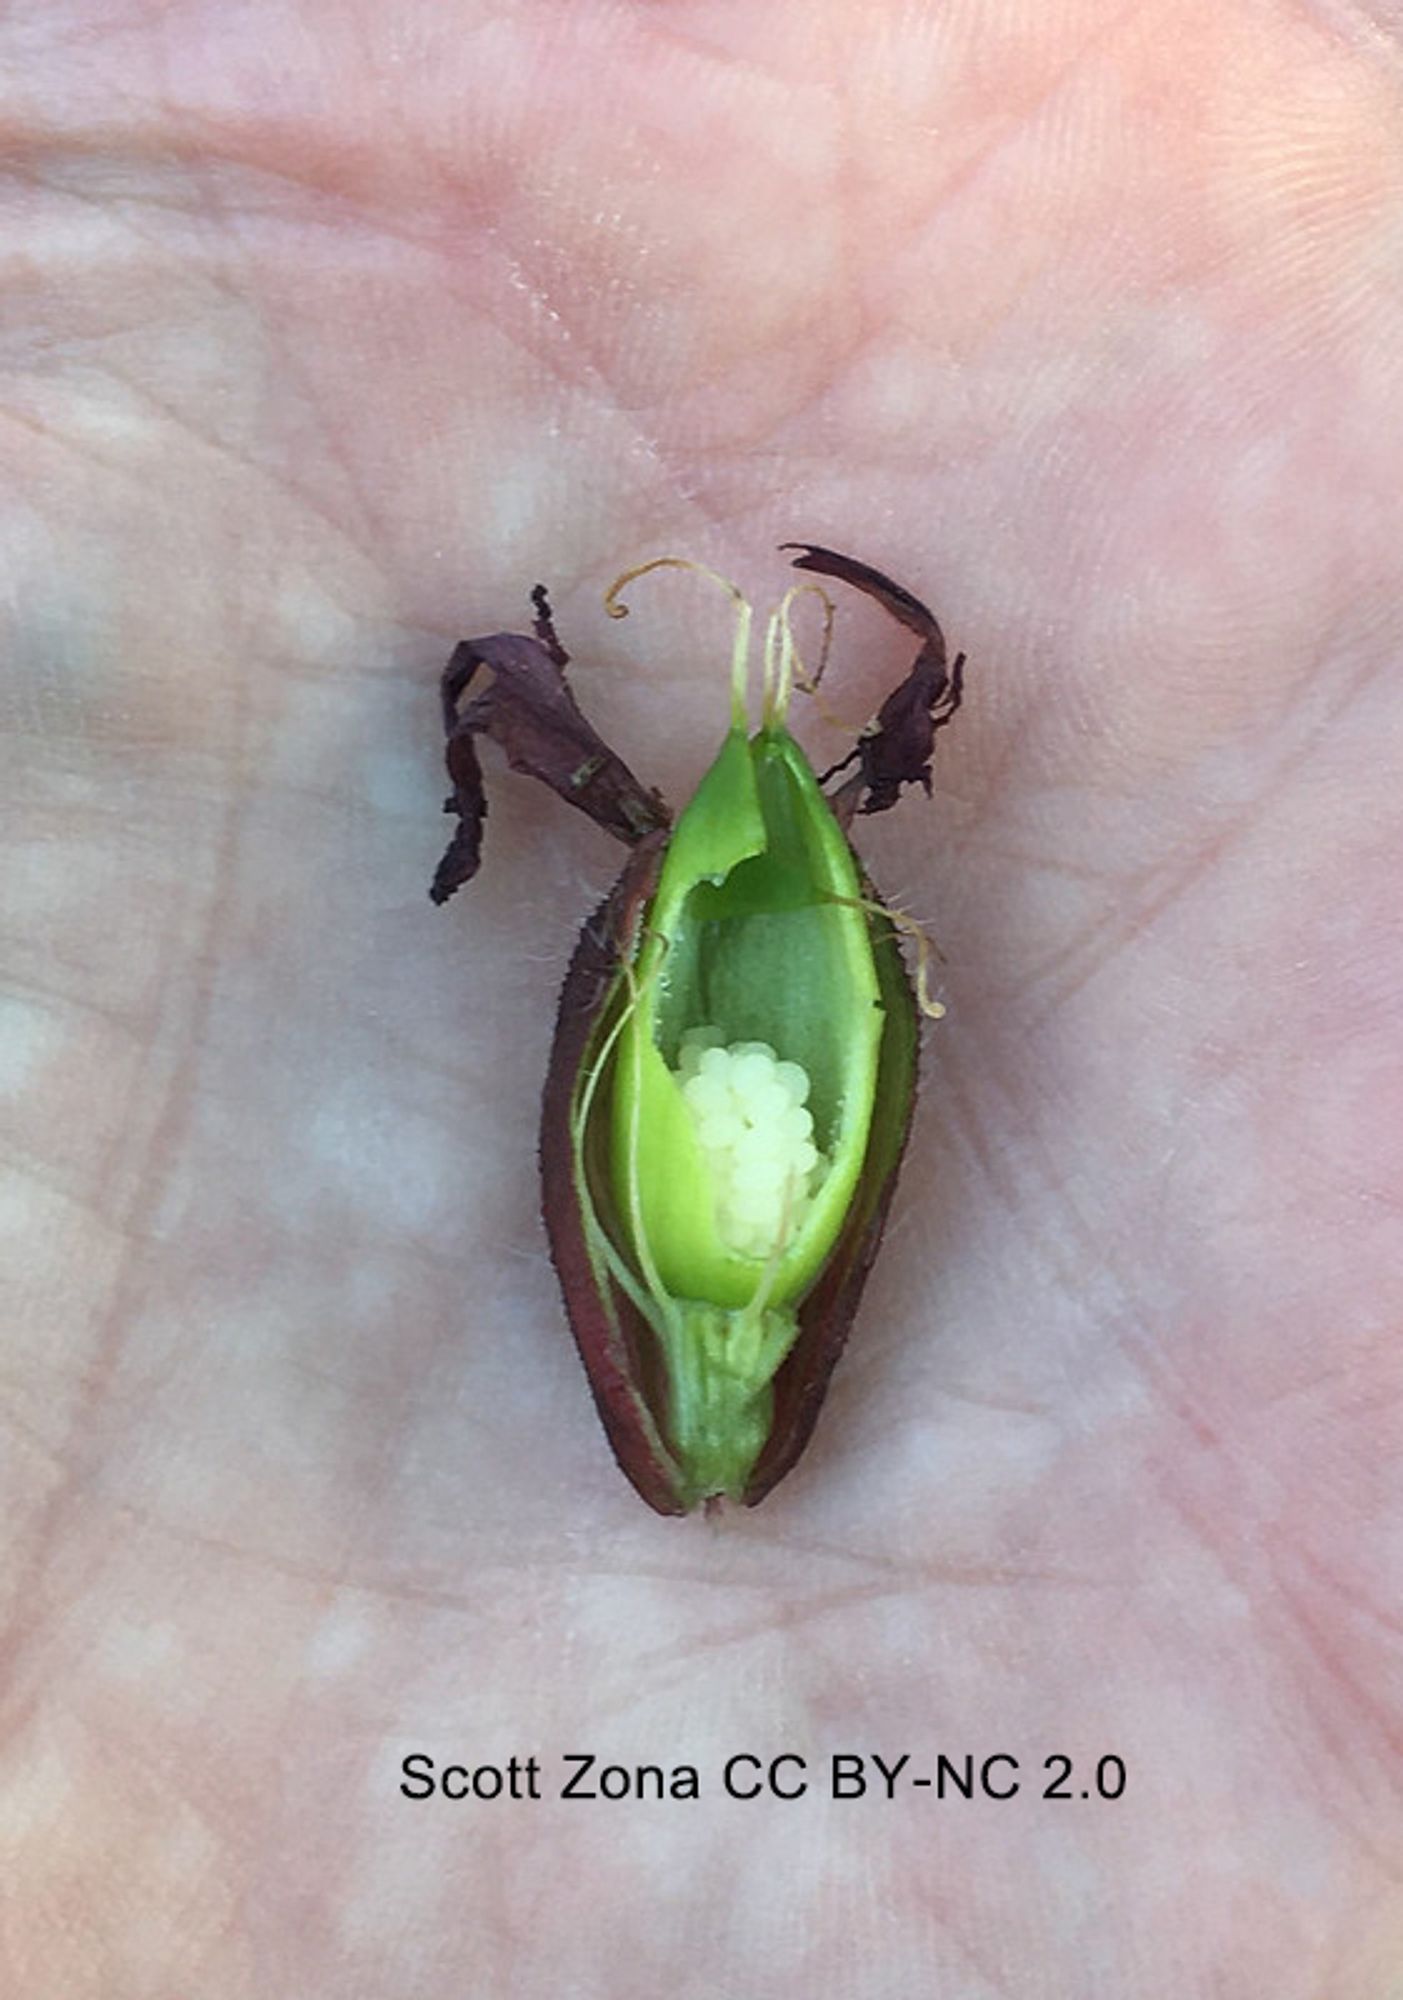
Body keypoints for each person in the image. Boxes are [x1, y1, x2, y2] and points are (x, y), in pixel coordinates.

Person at [4, 3, 1401, 1991]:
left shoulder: (763, 853)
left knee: (732, 1348)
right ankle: (717, 1392)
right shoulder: (762, 849)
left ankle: (724, 1395)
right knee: (723, 1345)